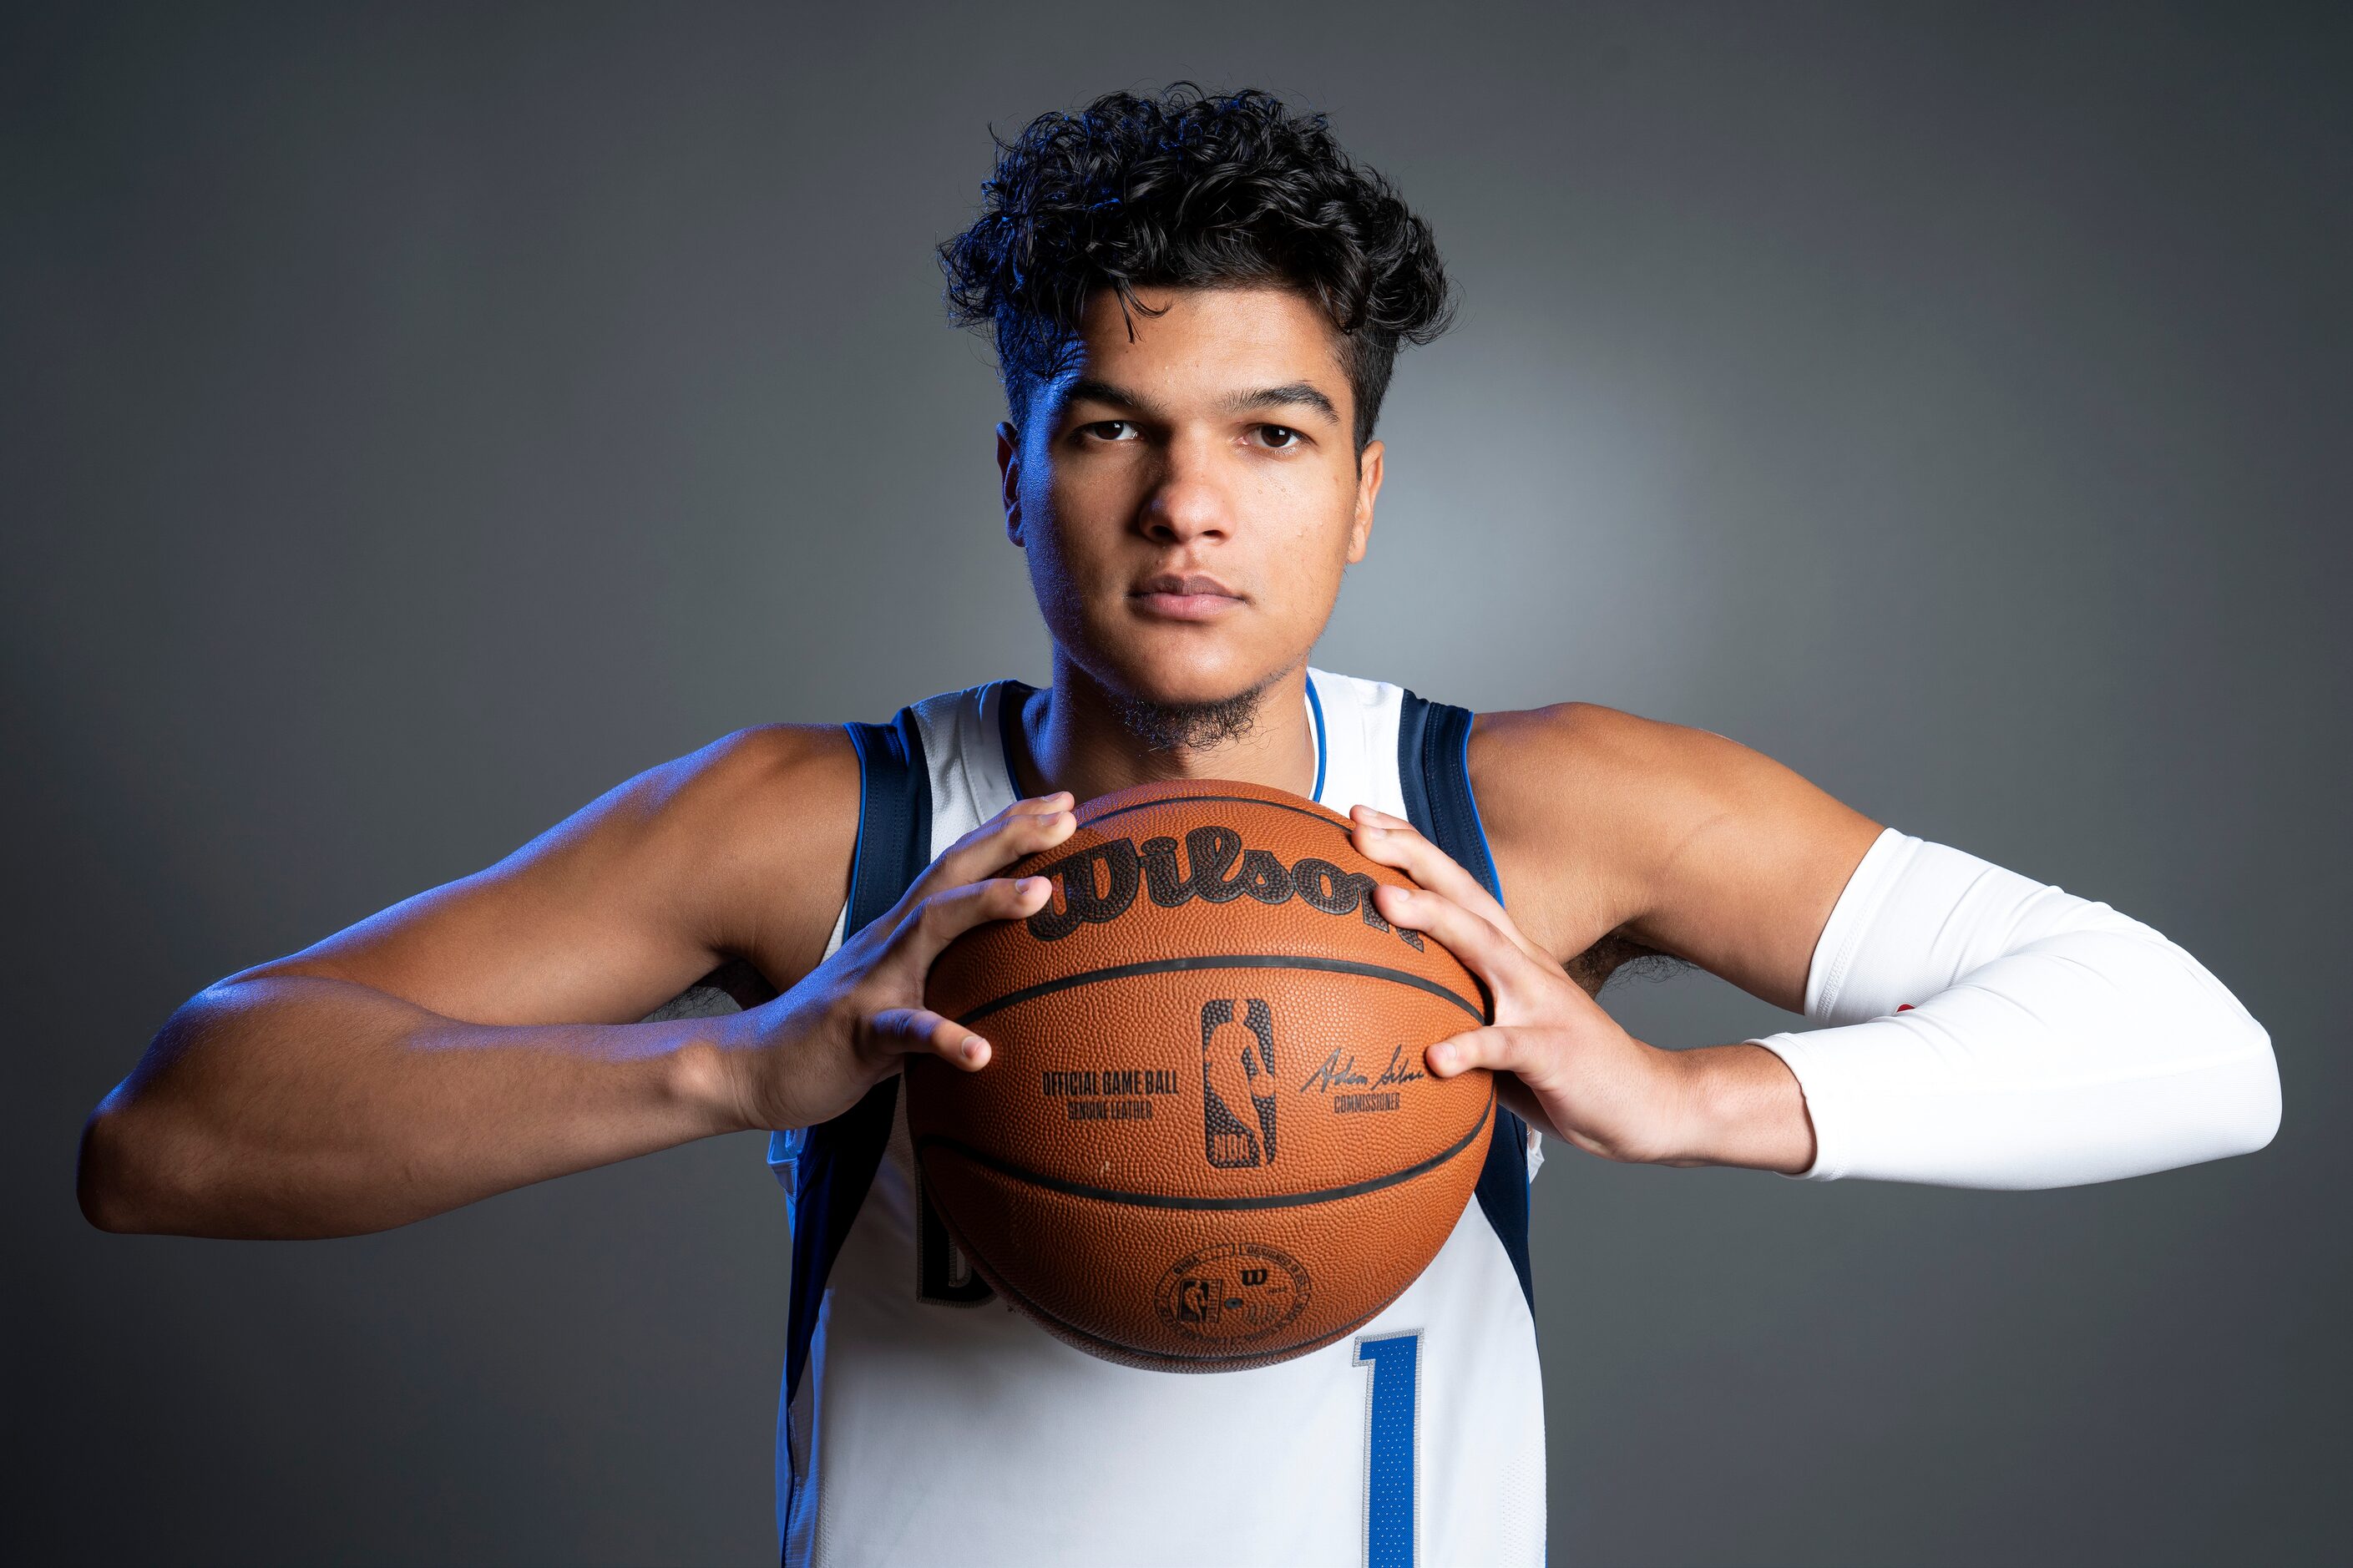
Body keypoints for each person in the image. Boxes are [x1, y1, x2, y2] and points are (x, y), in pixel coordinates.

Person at [77, 85, 2280, 1567]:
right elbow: (163, 1141)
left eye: (1271, 432)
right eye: (1109, 427)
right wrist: (728, 1071)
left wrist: (1683, 1092)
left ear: (1363, 489)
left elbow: (2199, 1051)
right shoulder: (818, 831)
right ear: (1015, 476)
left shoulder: (1523, 812)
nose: (1189, 503)